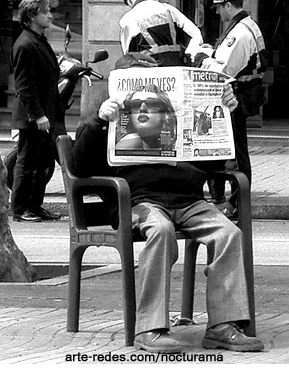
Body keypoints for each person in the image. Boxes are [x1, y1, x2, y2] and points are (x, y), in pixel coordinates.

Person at [69, 53, 264, 354]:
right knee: (160, 231)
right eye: (138, 98)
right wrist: (98, 122)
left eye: (154, 101)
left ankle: (223, 327)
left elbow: (218, 160)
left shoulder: (175, 124)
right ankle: (150, 328)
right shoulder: (103, 121)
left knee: (229, 234)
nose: (145, 106)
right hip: (137, 201)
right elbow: (78, 168)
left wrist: (228, 113)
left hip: (187, 200)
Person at [200, 0, 267, 214]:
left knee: (235, 152)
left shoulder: (240, 33)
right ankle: (234, 201)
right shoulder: (245, 25)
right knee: (234, 148)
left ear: (228, 5)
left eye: (219, 8)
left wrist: (201, 58)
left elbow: (223, 70)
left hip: (236, 96)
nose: (218, 13)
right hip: (241, 93)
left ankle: (238, 203)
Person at [10, 0, 65, 222]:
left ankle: (35, 205)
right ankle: (20, 209)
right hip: (34, 117)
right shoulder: (25, 44)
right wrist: (38, 115)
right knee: (27, 163)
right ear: (32, 16)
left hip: (47, 114)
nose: (50, 16)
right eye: (45, 12)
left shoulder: (39, 40)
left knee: (42, 163)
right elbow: (24, 86)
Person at [117, 0, 203, 66]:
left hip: (148, 71)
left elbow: (128, 55)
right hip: (176, 65)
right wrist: (190, 56)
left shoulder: (127, 19)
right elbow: (195, 34)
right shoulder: (168, 8)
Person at [116, 84, 177, 151]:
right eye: (135, 104)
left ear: (164, 113)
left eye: (152, 103)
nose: (142, 109)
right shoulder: (133, 141)